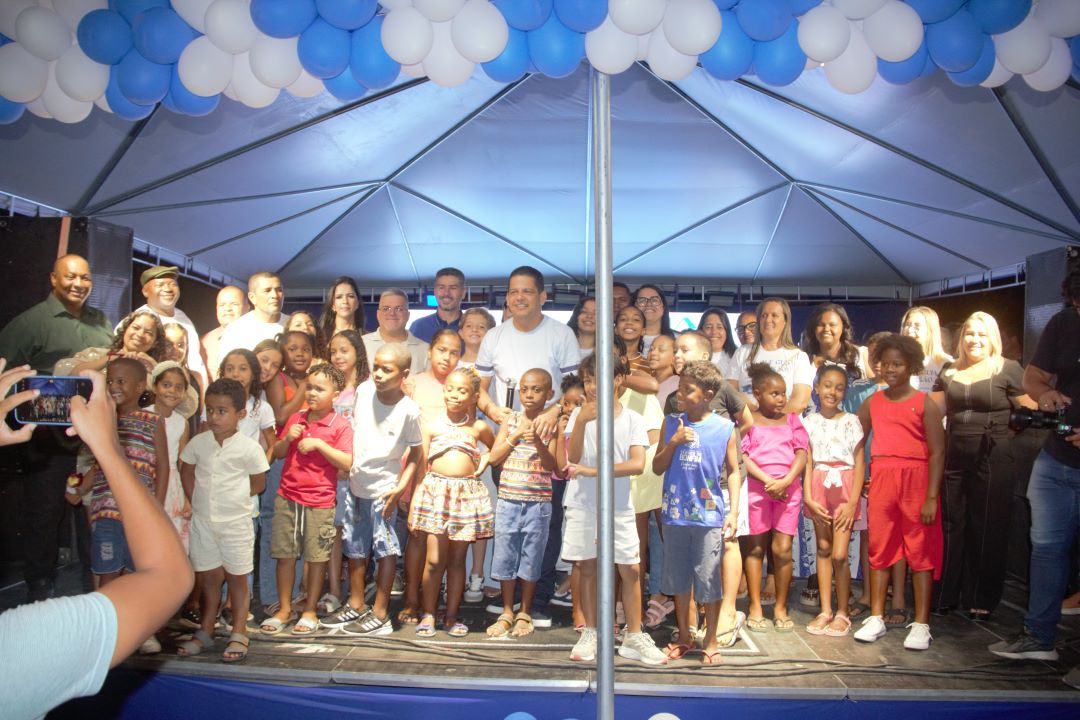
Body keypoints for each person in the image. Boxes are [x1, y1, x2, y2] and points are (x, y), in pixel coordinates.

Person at [0, 361, 193, 719]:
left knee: (133, 567)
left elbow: (164, 466)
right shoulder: (20, 646)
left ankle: (135, 626)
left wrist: (159, 500)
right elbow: (169, 576)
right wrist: (107, 451)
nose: (116, 386)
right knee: (108, 568)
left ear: (140, 388)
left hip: (138, 507)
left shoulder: (153, 423)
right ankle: (125, 622)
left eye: (123, 381)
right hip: (107, 509)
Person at [0, 254, 113, 601]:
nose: (78, 283)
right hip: (47, 438)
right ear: (53, 279)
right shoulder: (30, 322)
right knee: (45, 512)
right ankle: (40, 589)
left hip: (93, 436)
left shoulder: (101, 321)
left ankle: (94, 591)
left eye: (85, 278)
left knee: (96, 511)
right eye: (70, 277)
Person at [990, 268, 1080, 665]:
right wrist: (1045, 394)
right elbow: (1034, 376)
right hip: (1057, 457)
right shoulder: (1064, 322)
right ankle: (1039, 636)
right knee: (1045, 549)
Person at [560, 351, 667, 665]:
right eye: (589, 380)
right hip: (582, 502)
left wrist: (597, 471)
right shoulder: (579, 416)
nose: (593, 386)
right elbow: (574, 456)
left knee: (631, 568)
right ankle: (592, 631)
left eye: (600, 379)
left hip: (619, 504)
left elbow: (636, 463)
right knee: (588, 567)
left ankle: (634, 634)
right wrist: (580, 420)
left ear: (619, 380)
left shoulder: (633, 418)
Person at [931, 311, 1035, 620]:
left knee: (987, 526)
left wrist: (1006, 435)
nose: (974, 340)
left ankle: (981, 597)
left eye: (981, 334)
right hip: (954, 456)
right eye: (969, 334)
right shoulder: (948, 371)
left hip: (993, 457)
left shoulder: (1009, 369)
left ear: (993, 339)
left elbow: (1029, 414)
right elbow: (932, 414)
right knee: (951, 526)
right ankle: (945, 594)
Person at [322, 344, 422, 636]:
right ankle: (355, 604)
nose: (378, 374)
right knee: (355, 548)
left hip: (384, 490)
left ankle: (380, 612)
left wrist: (401, 487)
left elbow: (416, 453)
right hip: (356, 484)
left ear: (404, 374)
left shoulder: (409, 411)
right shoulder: (364, 391)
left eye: (387, 370)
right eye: (376, 367)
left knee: (386, 551)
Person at [853, 335, 944, 651]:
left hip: (916, 481)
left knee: (920, 552)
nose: (890, 369)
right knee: (879, 550)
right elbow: (854, 441)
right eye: (885, 363)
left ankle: (921, 623)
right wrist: (861, 477)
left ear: (912, 366)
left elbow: (936, 452)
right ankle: (876, 616)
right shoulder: (873, 402)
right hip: (882, 480)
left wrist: (931, 495)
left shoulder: (924, 403)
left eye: (897, 364)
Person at [652, 360, 742, 664]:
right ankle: (685, 635)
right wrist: (674, 442)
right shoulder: (672, 423)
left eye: (687, 390)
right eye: (679, 388)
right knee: (679, 581)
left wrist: (733, 511)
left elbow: (733, 471)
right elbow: (657, 466)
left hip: (708, 517)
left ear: (707, 394)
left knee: (708, 581)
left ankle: (712, 639)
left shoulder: (725, 428)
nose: (680, 394)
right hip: (675, 516)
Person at [177, 378, 269, 662]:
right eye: (211, 410)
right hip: (204, 522)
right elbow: (187, 470)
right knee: (208, 579)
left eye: (222, 411)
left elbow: (259, 483)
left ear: (240, 414)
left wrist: (233, 499)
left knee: (238, 578)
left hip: (235, 523)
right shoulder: (199, 442)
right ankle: (206, 630)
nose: (215, 417)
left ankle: (239, 631)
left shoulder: (248, 447)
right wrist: (197, 499)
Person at [261, 363, 353, 636]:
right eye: (309, 387)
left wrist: (321, 445)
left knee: (316, 558)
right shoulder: (296, 418)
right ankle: (285, 609)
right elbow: (276, 453)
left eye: (319, 389)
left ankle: (310, 609)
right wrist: (287, 439)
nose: (312, 393)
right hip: (287, 497)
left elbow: (347, 463)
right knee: (285, 556)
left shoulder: (341, 425)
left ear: (335, 395)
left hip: (321, 500)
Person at [410, 367, 495, 638]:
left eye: (462, 390)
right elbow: (420, 465)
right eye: (450, 388)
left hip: (465, 497)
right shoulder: (431, 424)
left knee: (458, 560)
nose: (455, 395)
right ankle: (428, 614)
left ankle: (451, 617)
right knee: (434, 560)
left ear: (473, 396)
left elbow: (494, 449)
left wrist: (483, 462)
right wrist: (413, 501)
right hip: (435, 494)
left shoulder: (479, 427)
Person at [485, 369, 558, 638]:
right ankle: (506, 610)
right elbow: (494, 458)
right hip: (508, 501)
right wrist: (515, 437)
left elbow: (553, 465)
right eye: (525, 389)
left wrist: (537, 440)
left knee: (531, 557)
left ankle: (525, 611)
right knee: (505, 555)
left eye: (537, 390)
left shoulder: (551, 424)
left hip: (538, 504)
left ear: (549, 394)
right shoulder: (511, 419)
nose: (529, 394)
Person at [740, 364, 809, 633]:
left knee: (781, 550)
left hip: (788, 491)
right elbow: (743, 456)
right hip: (758, 491)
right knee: (755, 549)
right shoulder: (749, 421)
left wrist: (787, 480)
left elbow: (802, 452)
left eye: (784, 393)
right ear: (758, 394)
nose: (781, 399)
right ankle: (755, 605)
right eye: (775, 394)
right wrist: (768, 481)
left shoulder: (792, 420)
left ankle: (781, 606)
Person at [802, 365, 864, 637]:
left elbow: (860, 463)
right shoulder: (809, 422)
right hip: (818, 485)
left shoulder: (851, 420)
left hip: (845, 485)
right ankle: (826, 610)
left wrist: (852, 502)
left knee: (840, 554)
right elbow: (806, 461)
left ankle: (843, 611)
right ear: (816, 388)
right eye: (827, 385)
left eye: (839, 387)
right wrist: (807, 495)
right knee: (824, 548)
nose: (833, 391)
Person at [476, 266, 579, 425]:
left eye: (527, 292)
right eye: (513, 292)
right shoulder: (492, 336)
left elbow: (576, 386)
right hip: (504, 434)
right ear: (507, 298)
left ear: (542, 297)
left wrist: (554, 411)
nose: (519, 297)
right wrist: (492, 411)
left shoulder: (563, 334)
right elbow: (479, 388)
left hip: (548, 433)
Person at [320, 329, 369, 613]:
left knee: (358, 534)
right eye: (334, 351)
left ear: (358, 353)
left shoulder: (369, 387)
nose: (338, 356)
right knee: (335, 531)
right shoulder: (328, 386)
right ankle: (335, 591)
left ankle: (358, 593)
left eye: (344, 350)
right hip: (331, 472)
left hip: (359, 471)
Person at [729, 297, 813, 416]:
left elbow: (800, 402)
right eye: (764, 315)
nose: (768, 319)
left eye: (774, 315)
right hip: (749, 426)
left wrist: (770, 421)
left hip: (785, 429)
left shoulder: (799, 356)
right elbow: (730, 392)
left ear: (785, 321)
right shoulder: (742, 352)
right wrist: (756, 419)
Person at [130, 265, 207, 391]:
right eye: (160, 285)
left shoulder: (184, 318)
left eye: (172, 284)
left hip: (190, 392)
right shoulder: (138, 320)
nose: (167, 289)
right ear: (145, 291)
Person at [60, 309, 166, 377]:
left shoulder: (155, 368)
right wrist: (110, 359)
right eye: (136, 328)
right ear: (125, 330)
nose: (140, 334)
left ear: (155, 343)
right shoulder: (95, 354)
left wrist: (155, 370)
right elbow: (67, 375)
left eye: (148, 333)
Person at [219, 271, 288, 357]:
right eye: (267, 291)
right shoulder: (235, 330)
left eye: (279, 290)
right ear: (252, 297)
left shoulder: (294, 325)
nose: (275, 295)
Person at [362, 288, 429, 375]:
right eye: (386, 309)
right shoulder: (361, 344)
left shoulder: (425, 350)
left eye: (399, 309)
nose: (392, 313)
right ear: (378, 314)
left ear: (408, 315)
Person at [901, 306, 952, 394]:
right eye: (907, 325)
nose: (910, 330)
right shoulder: (894, 362)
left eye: (917, 326)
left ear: (930, 331)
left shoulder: (946, 363)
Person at [201, 285, 248, 378]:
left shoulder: (257, 337)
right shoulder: (203, 341)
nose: (228, 309)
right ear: (217, 309)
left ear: (247, 308)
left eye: (234, 304)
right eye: (222, 305)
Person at [411, 267, 466, 343]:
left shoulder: (473, 329)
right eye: (441, 287)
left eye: (453, 288)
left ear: (463, 293)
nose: (446, 293)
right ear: (435, 292)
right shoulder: (418, 327)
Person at [318, 276, 365, 352]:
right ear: (333, 305)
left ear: (357, 303)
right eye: (339, 297)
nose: (345, 301)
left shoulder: (366, 337)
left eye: (350, 296)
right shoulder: (320, 337)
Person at [631, 284, 671, 357]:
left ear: (663, 307)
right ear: (634, 307)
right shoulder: (625, 340)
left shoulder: (678, 339)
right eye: (642, 300)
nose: (649, 304)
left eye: (654, 300)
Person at [699, 308, 737, 379]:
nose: (714, 332)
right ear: (701, 330)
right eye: (708, 327)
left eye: (719, 327)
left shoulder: (737, 356)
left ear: (727, 331)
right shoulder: (694, 358)